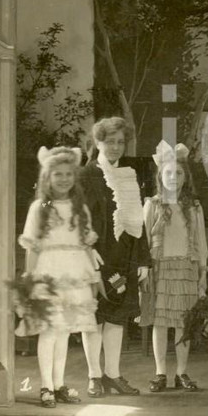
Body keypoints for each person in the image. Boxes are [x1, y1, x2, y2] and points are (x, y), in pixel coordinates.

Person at [18, 147, 103, 408]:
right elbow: (32, 246)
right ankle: (45, 386)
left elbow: (86, 245)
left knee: (64, 330)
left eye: (68, 174)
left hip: (74, 273)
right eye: (57, 174)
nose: (64, 179)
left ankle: (58, 384)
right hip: (48, 272)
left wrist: (95, 276)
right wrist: (30, 279)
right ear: (47, 177)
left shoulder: (80, 208)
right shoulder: (41, 206)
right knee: (50, 331)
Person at [78, 117, 151, 397]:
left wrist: (143, 259)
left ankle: (113, 375)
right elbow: (76, 218)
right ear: (98, 142)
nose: (116, 147)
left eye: (121, 142)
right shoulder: (86, 175)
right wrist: (86, 249)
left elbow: (138, 221)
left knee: (117, 318)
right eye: (110, 141)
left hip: (124, 256)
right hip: (95, 256)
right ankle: (94, 376)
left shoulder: (129, 175)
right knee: (94, 317)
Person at [143, 141, 208, 392]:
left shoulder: (194, 207)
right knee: (160, 323)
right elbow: (144, 240)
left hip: (185, 270)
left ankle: (181, 372)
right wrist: (144, 269)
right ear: (160, 175)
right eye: (168, 173)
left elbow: (200, 242)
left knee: (184, 322)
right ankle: (160, 373)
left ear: (185, 177)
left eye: (178, 173)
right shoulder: (152, 205)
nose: (173, 177)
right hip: (159, 269)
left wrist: (202, 273)